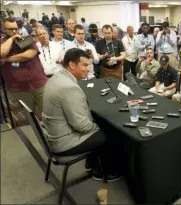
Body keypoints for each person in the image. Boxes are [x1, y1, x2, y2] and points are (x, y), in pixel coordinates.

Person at [43, 48, 120, 181]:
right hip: (63, 143)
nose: (89, 69)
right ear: (72, 65)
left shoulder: (57, 77)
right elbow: (81, 125)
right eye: (84, 65)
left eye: (89, 65)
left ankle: (92, 164)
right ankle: (107, 172)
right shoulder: (68, 87)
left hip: (54, 134)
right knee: (109, 133)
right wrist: (98, 127)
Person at [0, 18, 47, 119]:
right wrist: (12, 39)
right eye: (11, 29)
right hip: (18, 88)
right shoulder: (2, 42)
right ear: (4, 29)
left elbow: (29, 55)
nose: (14, 31)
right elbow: (2, 52)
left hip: (39, 83)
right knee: (31, 116)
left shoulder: (26, 38)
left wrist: (7, 59)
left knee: (48, 112)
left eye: (16, 29)